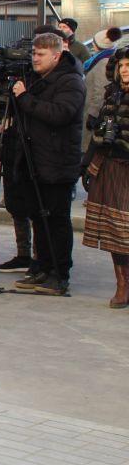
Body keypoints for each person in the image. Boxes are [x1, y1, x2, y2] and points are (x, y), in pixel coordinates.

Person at [2, 30, 86, 296]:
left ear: (56, 55)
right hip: (34, 161)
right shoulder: (37, 78)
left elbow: (60, 114)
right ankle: (42, 267)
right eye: (33, 54)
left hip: (57, 163)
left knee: (56, 221)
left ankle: (59, 275)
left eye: (40, 54)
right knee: (38, 218)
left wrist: (24, 98)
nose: (35, 59)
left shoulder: (71, 80)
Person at [82, 49, 129, 308]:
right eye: (122, 65)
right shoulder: (112, 93)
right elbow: (99, 131)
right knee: (114, 230)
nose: (125, 70)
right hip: (109, 167)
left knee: (125, 228)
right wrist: (87, 164)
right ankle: (123, 285)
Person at [82, 28, 124, 150]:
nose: (92, 43)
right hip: (94, 112)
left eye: (94, 41)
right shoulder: (100, 60)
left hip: (95, 115)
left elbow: (101, 91)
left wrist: (93, 114)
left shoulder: (104, 62)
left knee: (89, 150)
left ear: (97, 44)